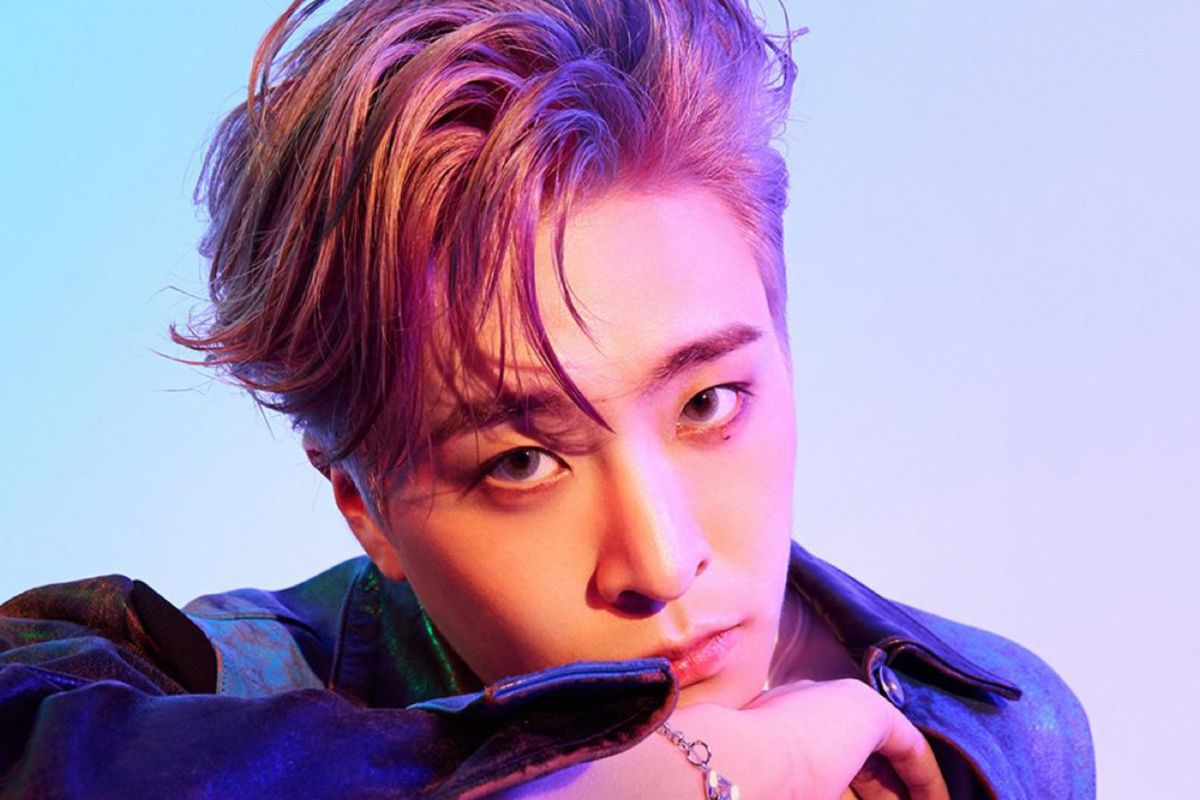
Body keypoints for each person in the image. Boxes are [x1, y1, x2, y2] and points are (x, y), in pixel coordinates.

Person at [0, 0, 1094, 797]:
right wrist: (671, 777)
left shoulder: (996, 727)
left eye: (709, 402)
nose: (660, 561)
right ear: (366, 507)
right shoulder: (231, 688)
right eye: (522, 461)